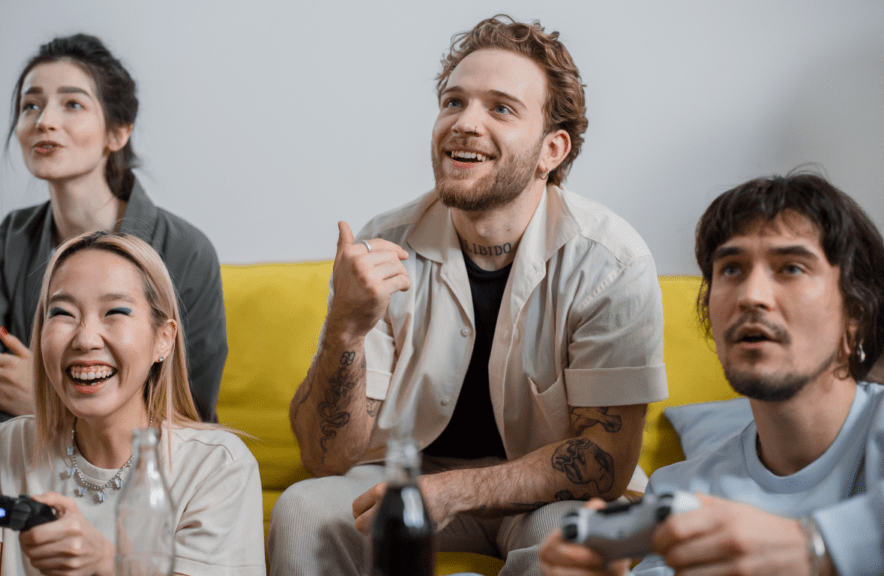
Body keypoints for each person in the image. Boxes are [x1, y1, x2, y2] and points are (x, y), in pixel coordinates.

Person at [268, 15, 668, 575]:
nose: (464, 123)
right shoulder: (385, 243)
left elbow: (606, 459)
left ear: (552, 149)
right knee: (305, 511)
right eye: (453, 102)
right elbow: (325, 458)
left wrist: (454, 491)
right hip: (408, 477)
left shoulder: (610, 261)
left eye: (500, 108)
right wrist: (344, 327)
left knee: (581, 534)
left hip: (551, 497)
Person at [0, 34, 227, 575]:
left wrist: (50, 395)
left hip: (131, 455)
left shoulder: (184, 251)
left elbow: (190, 413)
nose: (44, 120)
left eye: (72, 103)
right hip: (27, 451)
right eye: (30, 105)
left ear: (118, 132)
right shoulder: (16, 238)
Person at [539, 173, 884, 576]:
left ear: (856, 314)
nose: (751, 296)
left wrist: (814, 546)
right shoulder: (682, 489)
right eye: (732, 270)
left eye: (791, 267)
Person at [0, 232, 264, 575]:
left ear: (163, 339)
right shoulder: (11, 443)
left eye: (115, 312)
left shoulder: (218, 466)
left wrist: (106, 565)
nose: (84, 339)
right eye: (62, 313)